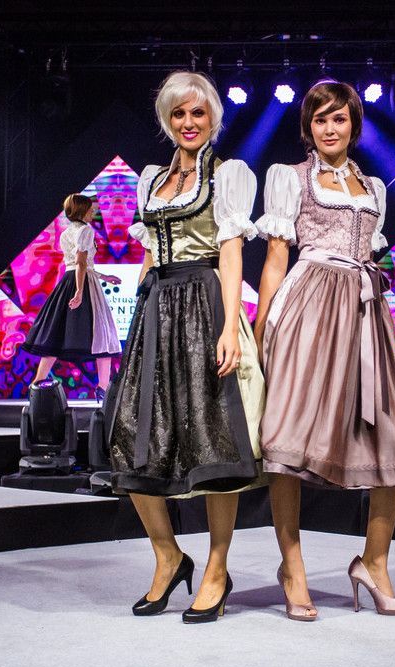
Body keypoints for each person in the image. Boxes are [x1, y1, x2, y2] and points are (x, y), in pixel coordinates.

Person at [254, 80, 395, 621]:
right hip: (308, 309)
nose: (330, 128)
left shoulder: (373, 186)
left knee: (394, 437)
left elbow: (370, 255)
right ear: (307, 128)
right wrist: (261, 329)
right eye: (320, 119)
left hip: (365, 314)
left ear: (354, 125)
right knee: (288, 438)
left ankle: (374, 563)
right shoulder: (290, 178)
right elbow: (277, 258)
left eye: (340, 119)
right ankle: (293, 569)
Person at [107, 71, 265, 624]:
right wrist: (140, 314)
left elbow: (231, 253)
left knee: (214, 440)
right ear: (167, 119)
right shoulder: (152, 178)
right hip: (157, 309)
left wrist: (230, 327)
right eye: (179, 113)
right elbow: (151, 251)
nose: (189, 122)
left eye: (198, 113)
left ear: (213, 118)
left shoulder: (227, 175)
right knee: (131, 436)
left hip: (205, 303)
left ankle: (217, 569)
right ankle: (168, 556)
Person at [20, 193, 121, 400]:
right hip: (81, 283)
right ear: (82, 210)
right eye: (90, 208)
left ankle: (36, 384)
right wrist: (79, 291)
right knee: (103, 337)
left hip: (68, 281)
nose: (93, 211)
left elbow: (79, 265)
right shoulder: (85, 230)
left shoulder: (67, 232)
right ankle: (103, 388)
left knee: (56, 334)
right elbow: (81, 263)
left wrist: (104, 277)